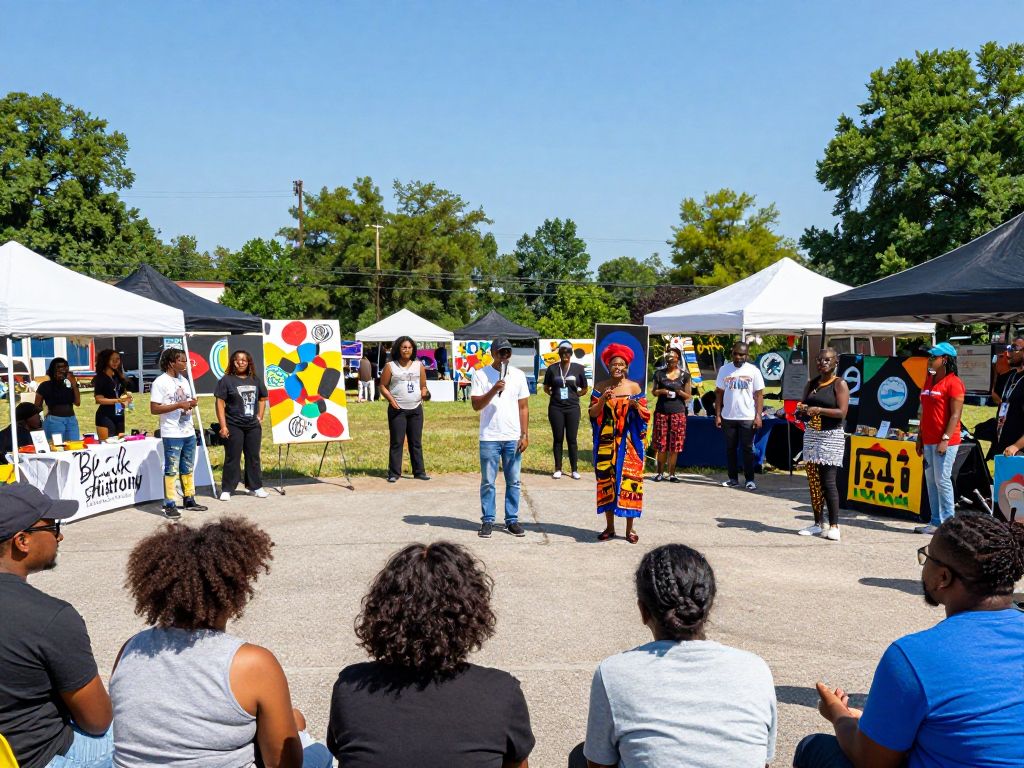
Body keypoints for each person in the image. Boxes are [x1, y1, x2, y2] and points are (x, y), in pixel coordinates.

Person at [795, 513, 1024, 768]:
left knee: (813, 747)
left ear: (943, 578)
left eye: (927, 557)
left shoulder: (914, 656)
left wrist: (838, 714)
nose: (923, 563)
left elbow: (871, 760)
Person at [110, 517, 332, 768]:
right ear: (234, 590)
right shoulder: (252, 663)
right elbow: (283, 765)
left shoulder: (130, 649)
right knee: (319, 754)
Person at [327, 541, 535, 767]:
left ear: (382, 612)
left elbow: (347, 755)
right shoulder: (502, 692)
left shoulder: (350, 688)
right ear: (470, 613)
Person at [578, 543, 777, 768]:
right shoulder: (756, 669)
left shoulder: (613, 674)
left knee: (581, 755)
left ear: (643, 611)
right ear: (708, 604)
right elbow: (762, 761)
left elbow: (599, 764)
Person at [0, 484, 114, 768]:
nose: (59, 535)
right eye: (52, 528)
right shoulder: (51, 617)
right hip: (34, 756)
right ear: (22, 541)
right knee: (137, 727)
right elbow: (97, 721)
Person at [589, 343, 649, 543]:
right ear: (608, 366)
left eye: (621, 364)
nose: (618, 367)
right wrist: (603, 401)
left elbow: (645, 415)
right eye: (614, 364)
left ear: (626, 367)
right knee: (608, 482)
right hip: (607, 443)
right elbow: (592, 414)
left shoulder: (634, 387)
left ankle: (630, 530)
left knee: (630, 483)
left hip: (629, 443)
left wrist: (634, 405)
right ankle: (609, 527)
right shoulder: (600, 387)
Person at [471, 336, 529, 538]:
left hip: (512, 436)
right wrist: (494, 389)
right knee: (488, 481)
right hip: (489, 436)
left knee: (513, 481)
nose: (504, 356)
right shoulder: (480, 374)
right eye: (500, 352)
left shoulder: (519, 375)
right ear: (492, 353)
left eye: (507, 352)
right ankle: (488, 520)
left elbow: (523, 407)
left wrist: (524, 434)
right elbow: (476, 405)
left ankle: (511, 519)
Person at [796, 347, 850, 542]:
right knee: (813, 483)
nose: (822, 363)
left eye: (827, 360)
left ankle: (834, 525)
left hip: (831, 436)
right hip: (812, 435)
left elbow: (842, 412)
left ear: (835, 362)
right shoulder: (811, 384)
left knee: (828, 482)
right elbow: (804, 406)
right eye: (819, 360)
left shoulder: (839, 384)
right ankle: (818, 523)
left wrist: (819, 409)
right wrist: (801, 410)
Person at [149, 348, 207, 519]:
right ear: (171, 362)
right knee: (171, 469)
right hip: (172, 432)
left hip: (187, 430)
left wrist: (191, 403)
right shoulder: (160, 382)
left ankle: (189, 498)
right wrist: (178, 406)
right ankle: (170, 503)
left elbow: (184, 402)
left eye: (185, 360)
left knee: (187, 467)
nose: (185, 363)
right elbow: (154, 408)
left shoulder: (184, 380)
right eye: (181, 360)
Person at [915, 342, 965, 535]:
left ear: (944, 359)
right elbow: (925, 412)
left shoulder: (954, 382)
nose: (930, 360)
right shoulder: (929, 380)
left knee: (942, 480)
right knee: (930, 480)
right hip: (928, 440)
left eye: (933, 357)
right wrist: (920, 437)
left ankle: (948, 524)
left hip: (946, 441)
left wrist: (945, 439)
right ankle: (935, 521)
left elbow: (955, 415)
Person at [214, 350, 269, 501]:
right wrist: (223, 426)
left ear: (249, 362)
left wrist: (260, 416)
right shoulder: (226, 380)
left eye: (244, 360)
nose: (241, 362)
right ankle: (227, 489)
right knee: (233, 457)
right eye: (237, 360)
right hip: (233, 424)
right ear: (233, 362)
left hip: (253, 426)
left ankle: (255, 486)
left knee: (253, 457)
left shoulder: (255, 380)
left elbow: (263, 398)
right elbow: (219, 402)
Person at [715, 342, 765, 491]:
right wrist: (717, 415)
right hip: (728, 417)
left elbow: (759, 395)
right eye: (735, 354)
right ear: (732, 354)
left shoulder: (753, 371)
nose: (738, 357)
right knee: (730, 449)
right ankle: (733, 478)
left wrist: (758, 416)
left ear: (747, 355)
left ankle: (749, 479)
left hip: (747, 417)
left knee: (747, 449)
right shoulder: (724, 370)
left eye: (741, 354)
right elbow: (719, 393)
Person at [379, 335, 429, 483]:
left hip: (415, 408)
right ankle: (394, 473)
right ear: (398, 349)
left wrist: (424, 392)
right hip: (398, 409)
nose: (406, 350)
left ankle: (419, 472)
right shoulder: (390, 366)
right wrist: (390, 399)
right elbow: (382, 385)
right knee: (397, 441)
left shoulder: (418, 365)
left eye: (409, 347)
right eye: (404, 347)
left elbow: (423, 385)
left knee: (416, 442)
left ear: (413, 349)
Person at [542, 340, 589, 479]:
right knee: (558, 438)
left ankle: (574, 469)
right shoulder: (552, 369)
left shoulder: (578, 368)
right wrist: (555, 395)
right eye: (562, 352)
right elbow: (546, 387)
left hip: (573, 407)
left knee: (572, 438)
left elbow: (585, 388)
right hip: (556, 407)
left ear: (571, 353)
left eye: (568, 352)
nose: (565, 354)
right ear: (559, 353)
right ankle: (558, 468)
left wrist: (575, 395)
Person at [650, 347, 691, 483]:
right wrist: (661, 391)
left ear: (678, 360)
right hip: (662, 412)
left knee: (675, 445)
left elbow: (688, 396)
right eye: (668, 360)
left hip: (678, 413)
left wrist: (679, 392)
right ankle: (660, 473)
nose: (670, 363)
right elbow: (653, 392)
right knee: (661, 444)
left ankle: (672, 473)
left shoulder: (685, 376)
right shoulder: (659, 374)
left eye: (672, 360)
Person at [34, 358, 81, 442]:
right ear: (53, 370)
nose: (62, 369)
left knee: (74, 446)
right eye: (59, 367)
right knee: (57, 447)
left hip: (71, 420)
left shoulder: (69, 385)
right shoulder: (45, 385)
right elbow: (37, 406)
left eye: (65, 366)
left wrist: (74, 384)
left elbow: (77, 402)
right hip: (54, 421)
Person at [91, 349, 133, 441]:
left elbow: (121, 393)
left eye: (117, 359)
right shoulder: (100, 378)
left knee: (121, 441)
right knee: (108, 443)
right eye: (112, 359)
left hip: (119, 412)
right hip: (105, 415)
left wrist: (127, 398)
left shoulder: (118, 376)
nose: (115, 362)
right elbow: (99, 399)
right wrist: (118, 400)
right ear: (105, 360)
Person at [994, 337, 1024, 457]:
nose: (1008, 352)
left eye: (1013, 348)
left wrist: (1016, 446)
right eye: (1008, 348)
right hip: (1004, 444)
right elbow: (996, 397)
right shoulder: (1010, 376)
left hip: (1018, 450)